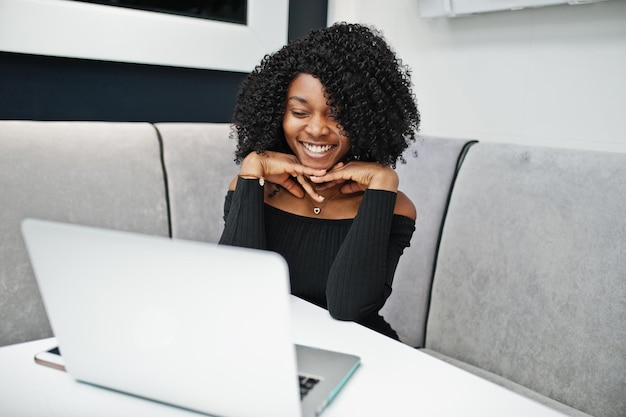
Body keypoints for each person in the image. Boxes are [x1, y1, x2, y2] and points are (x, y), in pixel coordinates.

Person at [219, 22, 420, 340]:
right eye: (300, 113)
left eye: (337, 115)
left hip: (363, 354)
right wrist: (252, 167)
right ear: (278, 115)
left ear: (365, 120)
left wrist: (383, 180)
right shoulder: (250, 187)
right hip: (270, 350)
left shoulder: (394, 206)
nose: (316, 129)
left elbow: (347, 308)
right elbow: (236, 292)